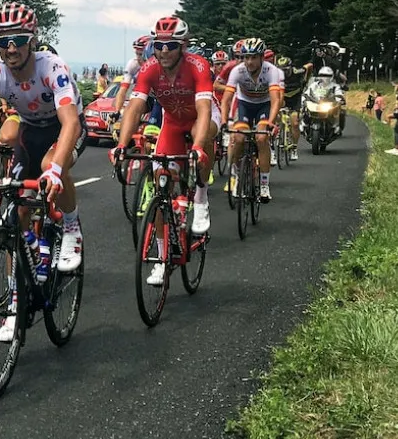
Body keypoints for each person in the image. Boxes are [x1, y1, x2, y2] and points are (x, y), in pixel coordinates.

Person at [0, 1, 86, 341]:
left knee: (49, 167)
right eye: (3, 42)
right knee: (17, 213)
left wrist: (55, 170)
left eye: (19, 40)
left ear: (32, 40)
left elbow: (70, 123)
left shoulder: (52, 67)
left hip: (65, 128)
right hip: (30, 131)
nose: (11, 48)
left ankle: (71, 226)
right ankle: (14, 302)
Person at [111, 16, 218, 285]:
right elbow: (135, 107)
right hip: (172, 122)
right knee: (161, 185)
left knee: (202, 136)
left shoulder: (198, 65)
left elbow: (204, 108)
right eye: (159, 45)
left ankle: (201, 198)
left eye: (171, 46)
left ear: (183, 46)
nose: (164, 51)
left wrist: (197, 148)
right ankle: (161, 259)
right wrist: (122, 145)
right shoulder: (148, 69)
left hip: (201, 118)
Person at [221, 38, 283, 202]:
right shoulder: (237, 71)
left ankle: (264, 185)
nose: (249, 62)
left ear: (262, 57)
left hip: (264, 105)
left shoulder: (271, 71)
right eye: (246, 57)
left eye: (254, 57)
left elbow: (276, 100)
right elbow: (226, 99)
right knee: (238, 138)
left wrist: (271, 122)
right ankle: (237, 175)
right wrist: (224, 121)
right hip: (245, 105)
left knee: (261, 138)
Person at [276, 55, 312, 161]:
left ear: (291, 68)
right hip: (283, 97)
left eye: (286, 70)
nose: (283, 73)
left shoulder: (297, 72)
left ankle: (294, 148)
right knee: (277, 118)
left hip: (295, 98)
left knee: (295, 123)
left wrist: (306, 79)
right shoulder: (275, 75)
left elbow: (310, 65)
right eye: (281, 71)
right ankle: (279, 135)